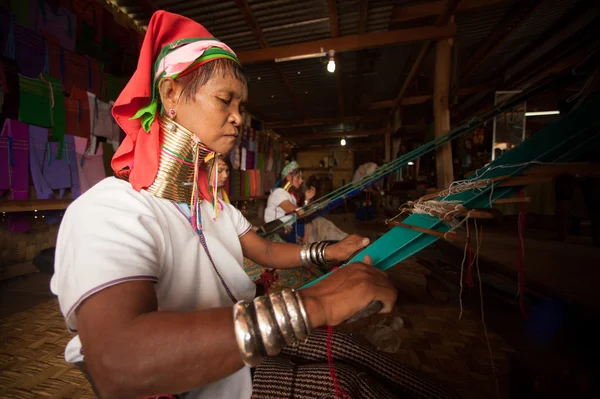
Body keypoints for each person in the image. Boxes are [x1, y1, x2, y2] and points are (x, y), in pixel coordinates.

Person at [48, 11, 457, 399]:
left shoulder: (212, 206)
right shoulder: (110, 210)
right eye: (225, 100)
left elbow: (261, 249)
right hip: (193, 385)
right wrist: (316, 302)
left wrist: (330, 252)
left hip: (239, 355)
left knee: (355, 352)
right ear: (170, 93)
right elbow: (117, 361)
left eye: (241, 107)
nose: (238, 118)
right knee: (344, 386)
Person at [265, 160, 348, 244]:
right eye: (298, 177)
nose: (301, 181)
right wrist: (313, 206)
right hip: (281, 232)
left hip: (293, 230)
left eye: (301, 177)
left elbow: (300, 213)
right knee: (322, 224)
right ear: (289, 177)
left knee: (324, 225)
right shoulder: (278, 192)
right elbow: (298, 212)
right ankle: (349, 243)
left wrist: (307, 200)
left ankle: (348, 242)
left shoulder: (290, 197)